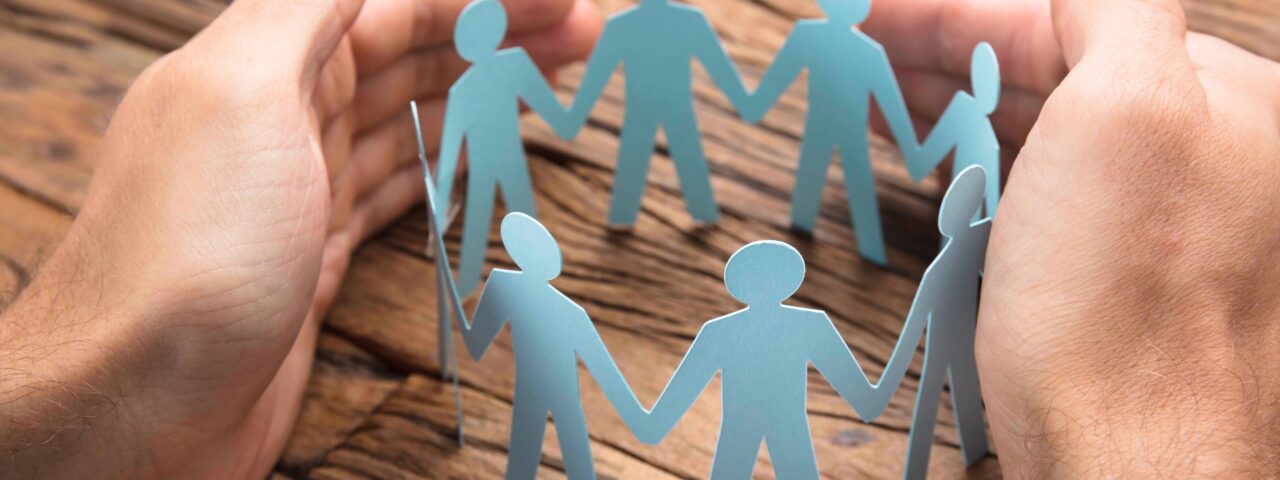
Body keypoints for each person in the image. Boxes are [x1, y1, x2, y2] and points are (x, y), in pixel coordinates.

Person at [1, 0, 1278, 478]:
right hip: (532, 346)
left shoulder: (740, 317)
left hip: (600, 332)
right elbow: (572, 351)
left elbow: (629, 367)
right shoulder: (743, 309)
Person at [617, 240, 920, 479]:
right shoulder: (810, 325)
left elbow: (665, 414)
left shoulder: (720, 331)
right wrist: (905, 355)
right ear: (790, 279)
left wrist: (637, 415)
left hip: (742, 428)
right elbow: (865, 400)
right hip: (787, 427)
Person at [449, 213, 644, 479]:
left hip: (542, 392)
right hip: (552, 393)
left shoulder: (509, 288)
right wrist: (640, 419)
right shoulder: (559, 307)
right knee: (570, 465)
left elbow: (474, 345)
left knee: (539, 463)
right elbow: (603, 369)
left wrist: (641, 419)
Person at [740, 0, 918, 266]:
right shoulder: (844, 44)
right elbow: (891, 103)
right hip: (827, 124)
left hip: (843, 126)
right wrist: (912, 148)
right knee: (826, 183)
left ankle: (867, 246)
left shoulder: (856, 47)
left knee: (853, 185)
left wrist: (755, 104)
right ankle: (824, 231)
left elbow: (890, 101)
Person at [563, 0, 750, 227]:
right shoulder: (681, 21)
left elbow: (717, 64)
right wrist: (744, 101)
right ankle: (629, 216)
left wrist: (575, 115)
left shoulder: (626, 24)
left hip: (660, 106)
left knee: (671, 160)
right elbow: (598, 73)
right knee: (652, 161)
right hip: (655, 106)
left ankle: (694, 212)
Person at [435, 0, 579, 294]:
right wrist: (442, 193)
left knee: (519, 221)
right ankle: (466, 291)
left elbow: (543, 100)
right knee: (484, 224)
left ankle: (534, 291)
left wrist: (565, 123)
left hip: (508, 158)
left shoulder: (505, 68)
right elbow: (450, 144)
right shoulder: (465, 88)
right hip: (487, 160)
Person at [906, 43, 1002, 219]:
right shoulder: (963, 109)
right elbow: (935, 146)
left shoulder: (989, 139)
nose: (991, 93)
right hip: (956, 213)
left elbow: (992, 205)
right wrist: (919, 164)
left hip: (969, 223)